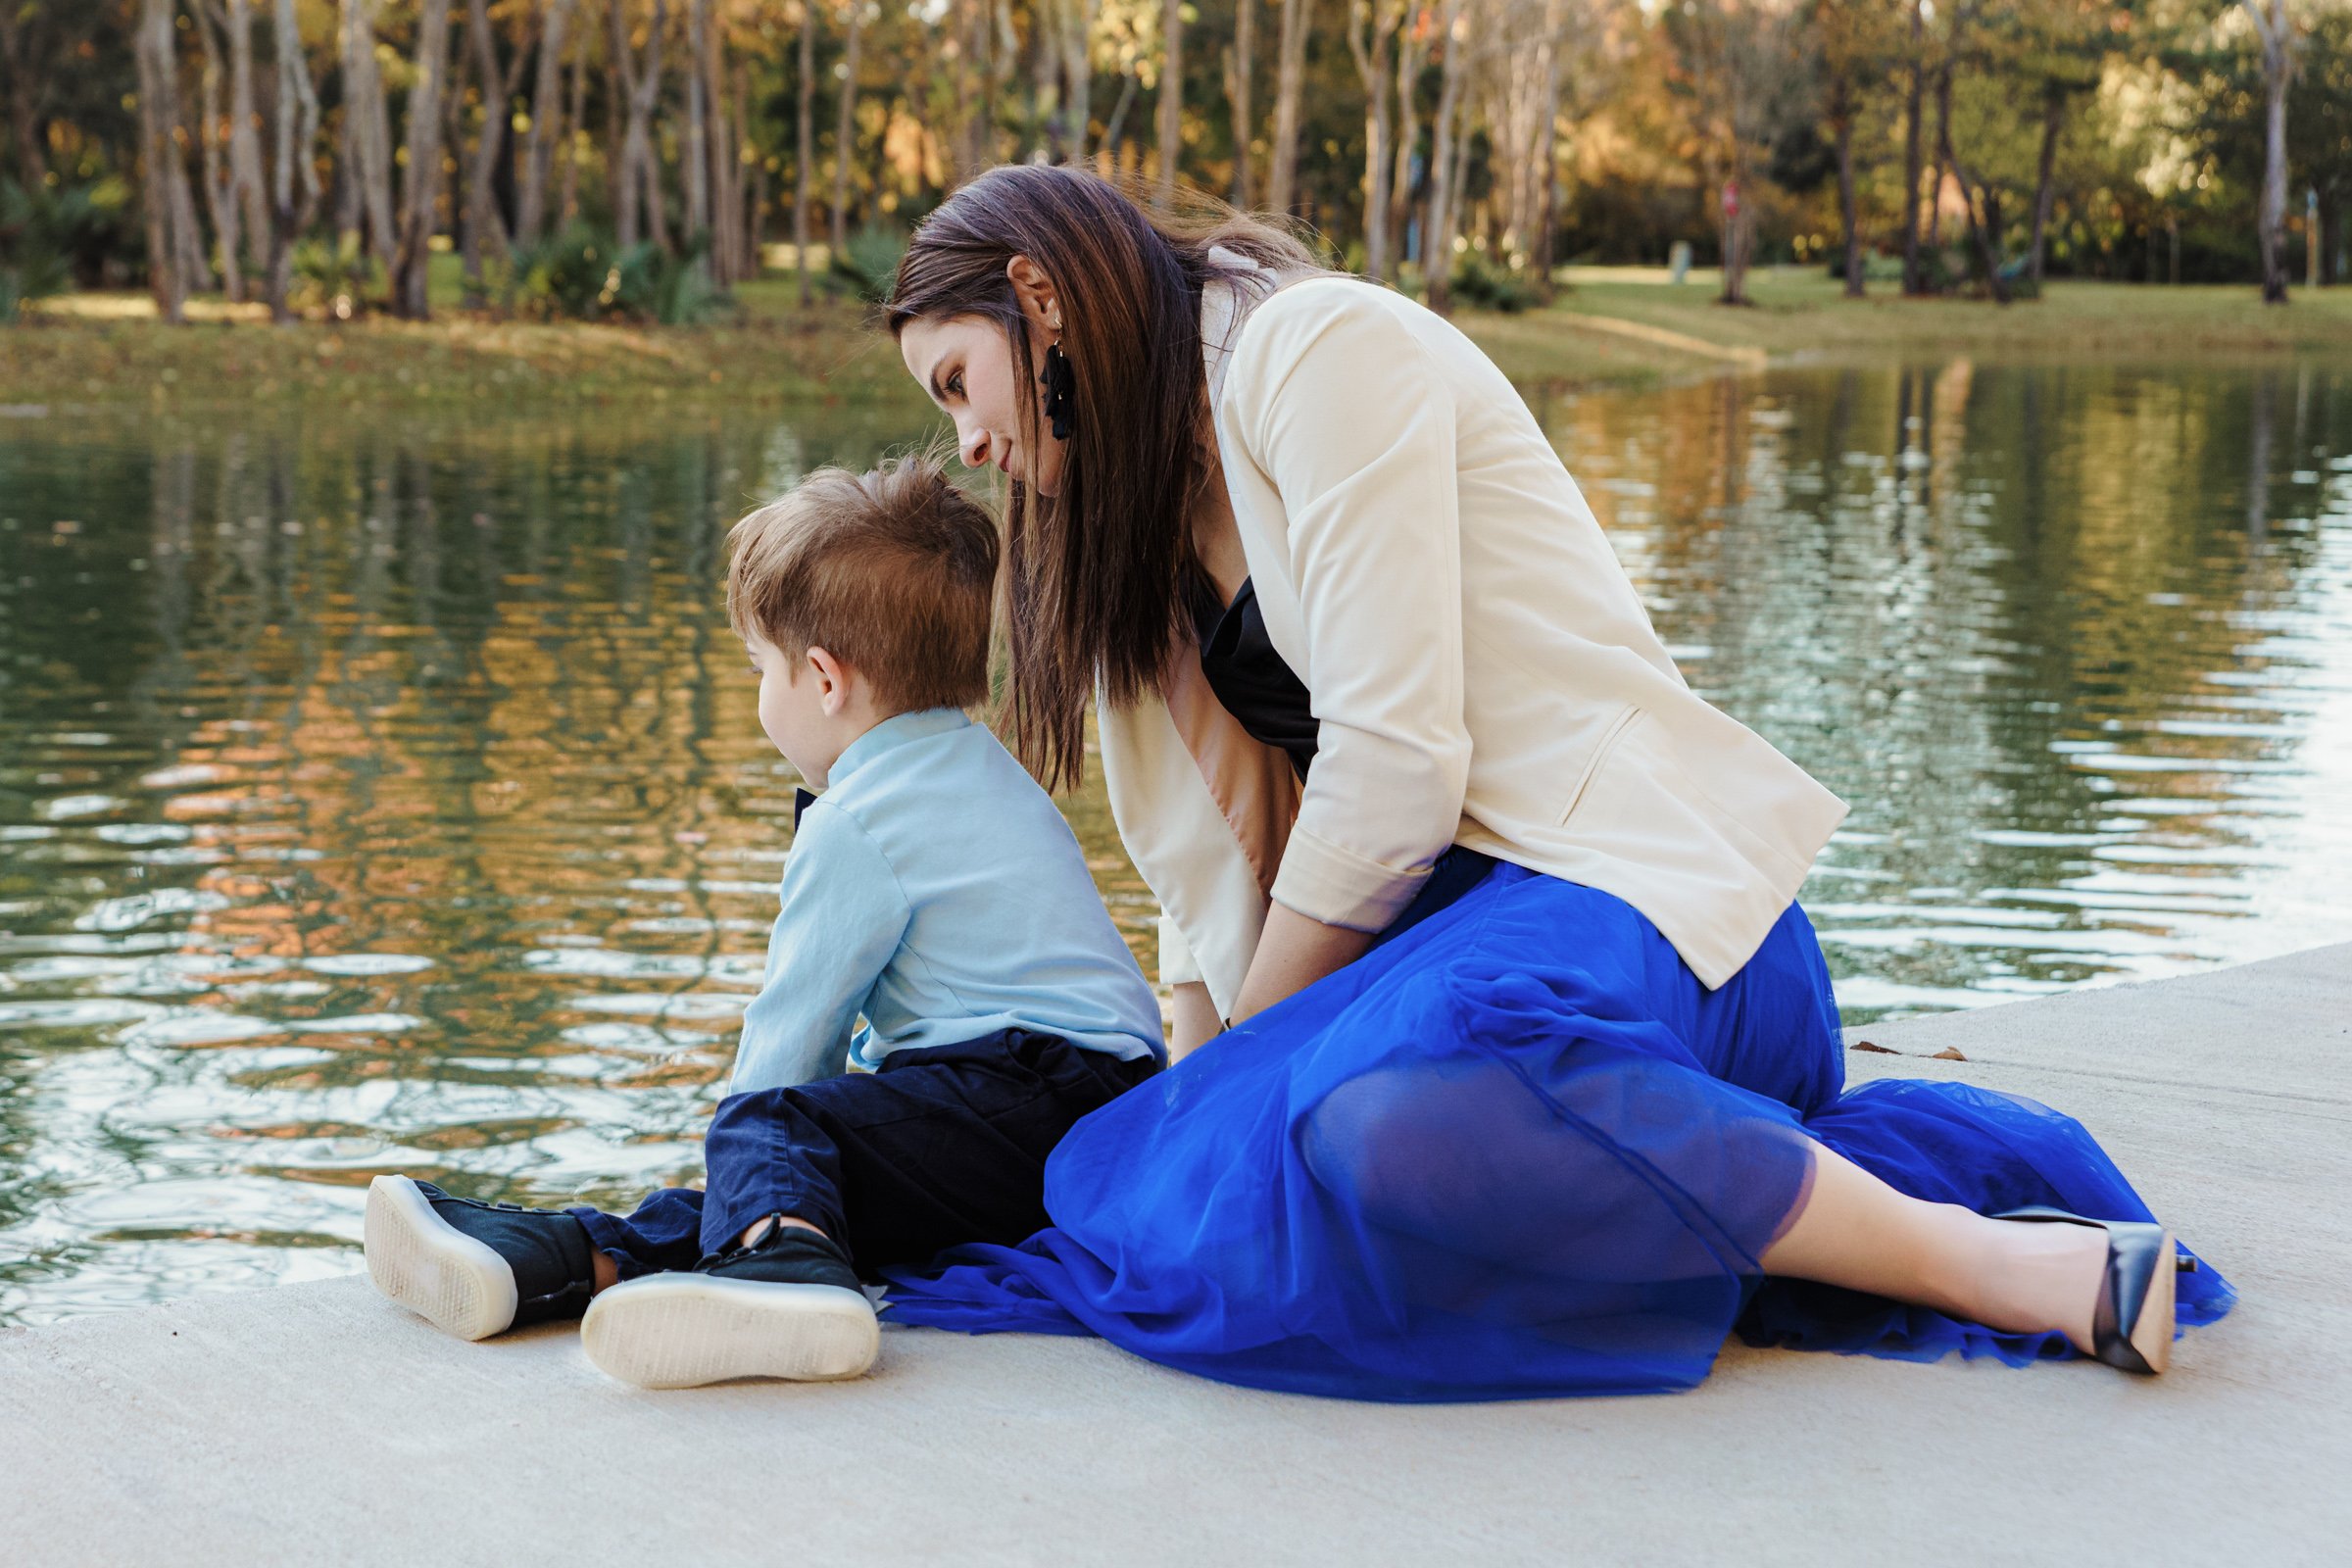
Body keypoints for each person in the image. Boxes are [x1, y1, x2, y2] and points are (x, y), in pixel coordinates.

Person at [877, 164, 2234, 1401]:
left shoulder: (1312, 349)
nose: (967, 445)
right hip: (1421, 964)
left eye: (955, 384)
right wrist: (1201, 1099)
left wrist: (1251, 1070)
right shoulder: (1122, 531)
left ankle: (1992, 1263)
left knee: (1375, 1119)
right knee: (1138, 1173)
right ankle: (1739, 1190)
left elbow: (1398, 768)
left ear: (1041, 302)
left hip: (1635, 907)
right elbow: (1195, 881)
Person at [362, 456, 1165, 1389]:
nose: (760, 696)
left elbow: (790, 1044)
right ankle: (548, 1258)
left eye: (761, 670)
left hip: (1032, 1091)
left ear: (823, 679)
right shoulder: (983, 774)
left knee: (767, 1131)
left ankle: (786, 1284)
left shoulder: (860, 820)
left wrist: (750, 1137)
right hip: (1098, 1117)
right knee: (795, 1176)